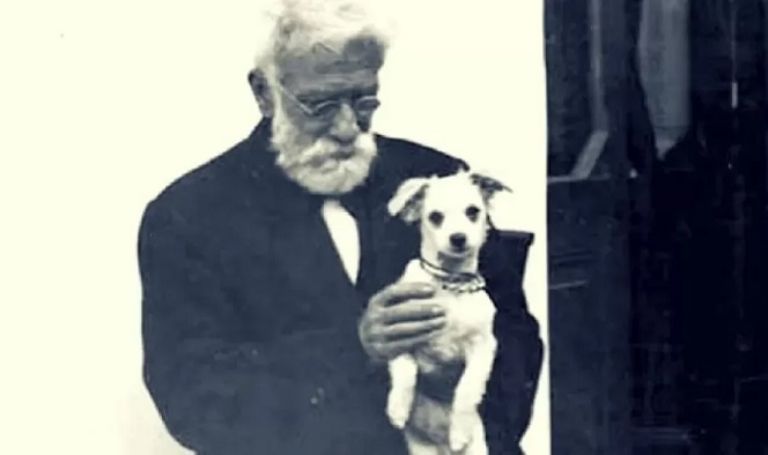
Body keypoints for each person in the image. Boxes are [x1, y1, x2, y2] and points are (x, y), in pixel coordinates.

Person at [138, 1, 543, 454]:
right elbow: (193, 398)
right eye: (320, 104)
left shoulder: (437, 180)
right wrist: (356, 348)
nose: (348, 128)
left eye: (363, 99)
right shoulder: (189, 214)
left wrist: (472, 433)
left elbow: (516, 338)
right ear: (264, 92)